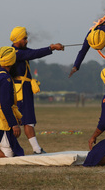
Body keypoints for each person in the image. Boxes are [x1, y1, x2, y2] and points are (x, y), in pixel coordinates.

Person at [10, 26, 64, 154]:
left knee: (25, 121)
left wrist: (52, 47)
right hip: (21, 90)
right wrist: (51, 48)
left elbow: (33, 52)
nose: (27, 41)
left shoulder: (18, 51)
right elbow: (33, 54)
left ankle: (31, 149)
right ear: (17, 39)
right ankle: (37, 150)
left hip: (23, 89)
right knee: (28, 120)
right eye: (24, 38)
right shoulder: (16, 53)